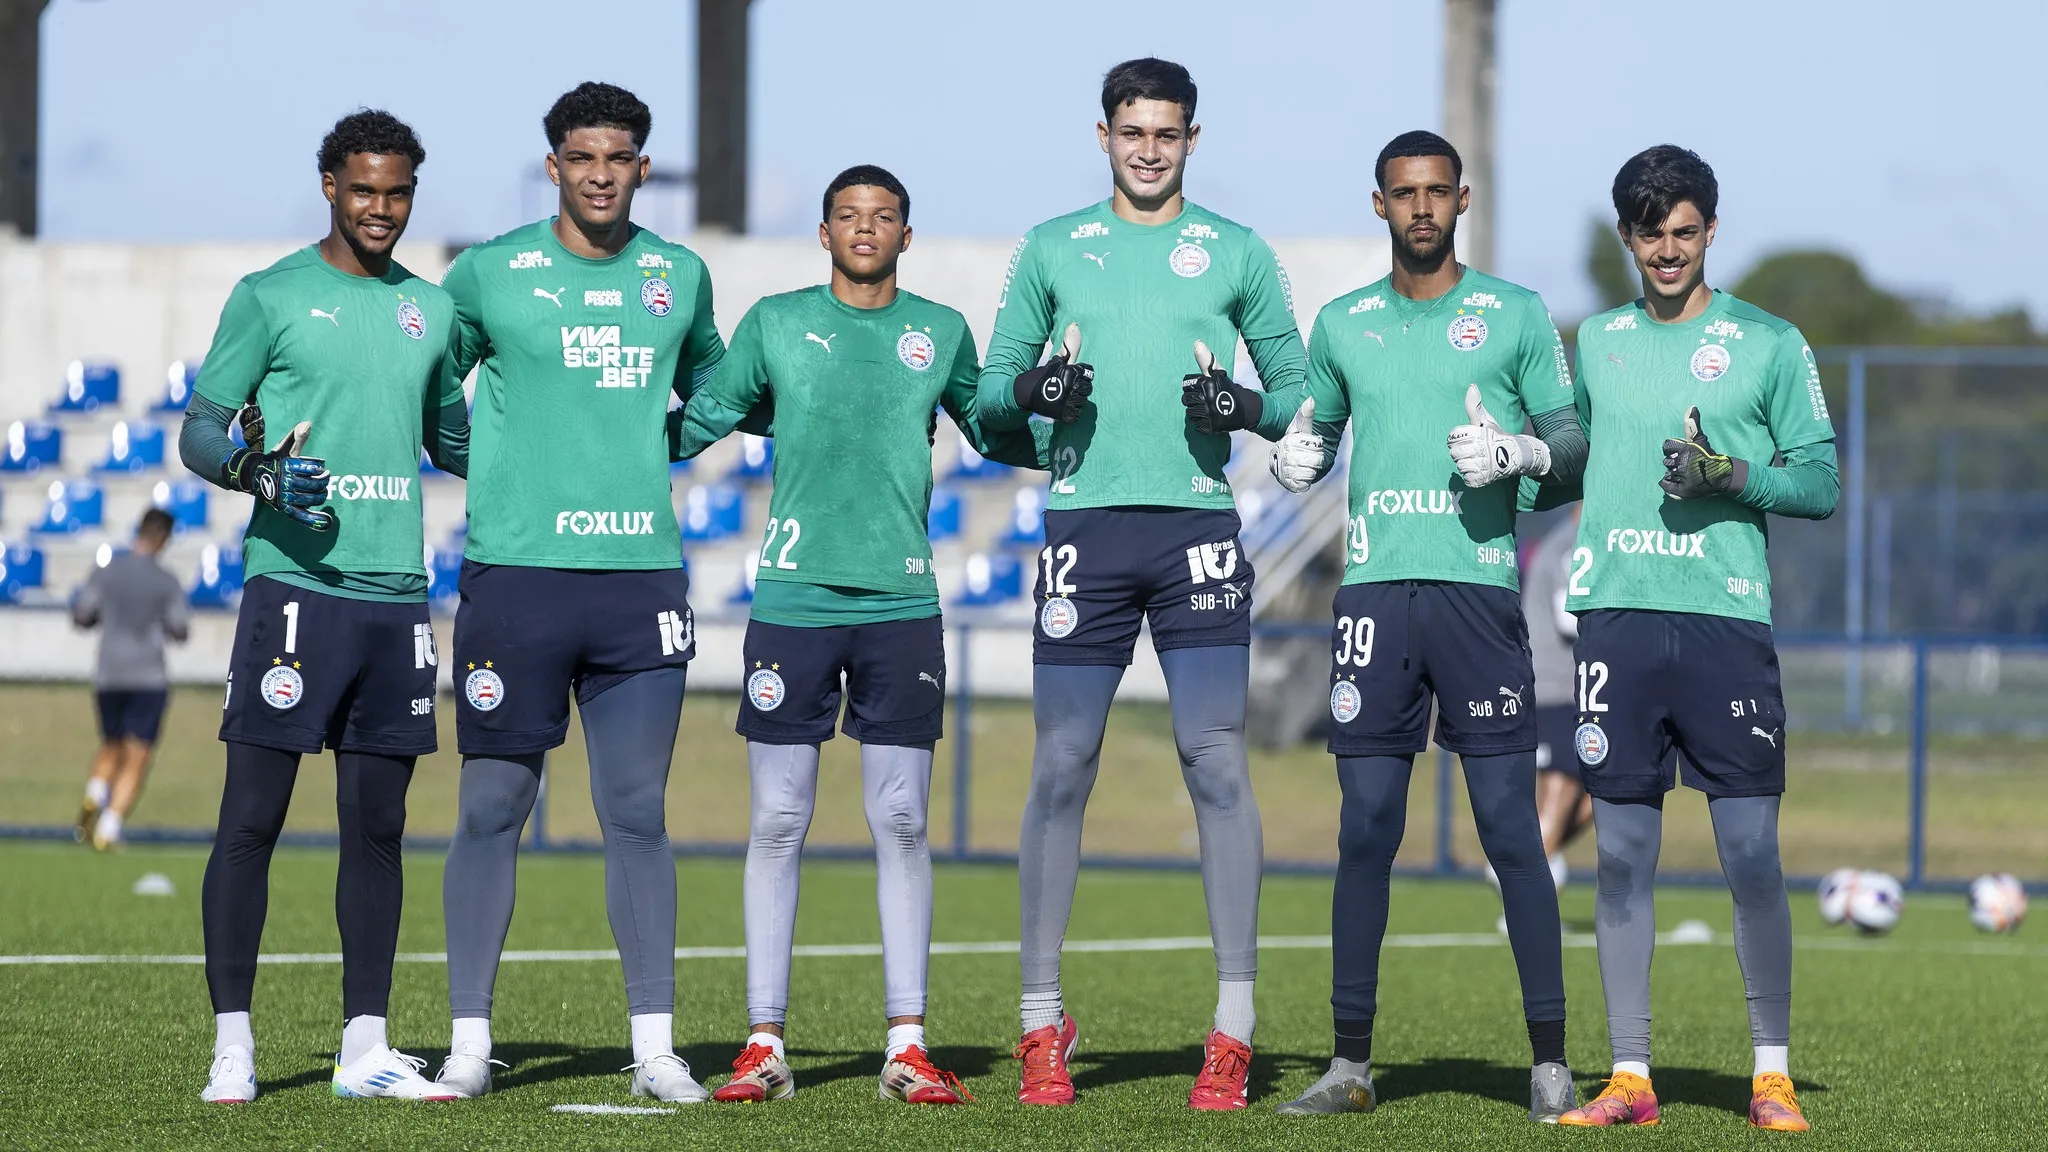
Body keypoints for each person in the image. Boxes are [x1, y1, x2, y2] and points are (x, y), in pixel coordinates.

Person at [672, 165, 1045, 1107]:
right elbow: (694, 424)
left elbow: (997, 433)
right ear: (825, 231)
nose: (866, 228)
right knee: (778, 820)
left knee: (904, 820)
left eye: (884, 217)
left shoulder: (941, 333)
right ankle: (764, 1045)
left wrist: (1074, 421)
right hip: (793, 602)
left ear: (906, 236)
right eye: (849, 215)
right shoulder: (774, 324)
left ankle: (907, 1045)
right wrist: (598, 413)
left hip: (900, 606)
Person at [977, 57, 1309, 1111]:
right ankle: (1039, 1023)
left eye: (1166, 133)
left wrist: (1238, 405)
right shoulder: (1050, 247)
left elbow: (1297, 393)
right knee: (1062, 762)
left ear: (1191, 140)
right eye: (1132, 131)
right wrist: (1038, 389)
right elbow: (990, 403)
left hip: (1197, 534)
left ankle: (1232, 1028)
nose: (1148, 148)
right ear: (1103, 133)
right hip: (1085, 527)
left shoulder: (1238, 253)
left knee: (1213, 761)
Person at [433, 82, 755, 1105]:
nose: (601, 175)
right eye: (582, 158)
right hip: (515, 581)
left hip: (637, 584)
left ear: (643, 169)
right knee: (492, 803)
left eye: (619, 159)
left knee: (636, 811)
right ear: (554, 166)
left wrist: (668, 442)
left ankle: (655, 1047)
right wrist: (477, 465)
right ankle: (470, 1044)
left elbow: (717, 385)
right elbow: (434, 388)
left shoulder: (678, 275)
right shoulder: (489, 273)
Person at [1265, 131, 1586, 1121]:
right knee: (1365, 826)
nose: (1419, 210)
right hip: (1370, 601)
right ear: (1379, 204)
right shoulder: (1342, 324)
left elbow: (1575, 450)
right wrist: (1295, 456)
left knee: (1506, 829)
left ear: (1460, 201)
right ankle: (1348, 1066)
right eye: (1402, 194)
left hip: (1476, 598)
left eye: (1434, 193)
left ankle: (1547, 1063)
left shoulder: (1514, 314)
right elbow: (1311, 436)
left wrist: (1520, 451)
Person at [182, 109, 470, 1104]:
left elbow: (458, 442)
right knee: (252, 820)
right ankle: (234, 1045)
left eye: (396, 193)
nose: (379, 208)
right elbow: (199, 431)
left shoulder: (431, 312)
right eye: (363, 189)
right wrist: (259, 476)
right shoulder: (269, 296)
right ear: (328, 187)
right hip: (296, 591)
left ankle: (364, 1048)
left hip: (398, 598)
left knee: (377, 825)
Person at [1556, 145, 1836, 1132]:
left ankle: (1769, 1074)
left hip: (1722, 625)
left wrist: (1729, 477)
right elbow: (1579, 460)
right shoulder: (1593, 339)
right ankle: (1629, 1077)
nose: (1666, 251)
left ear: (1709, 229)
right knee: (1621, 855)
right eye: (1648, 235)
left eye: (1683, 232)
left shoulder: (1765, 341)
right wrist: (1510, 458)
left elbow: (1817, 483)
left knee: (1749, 851)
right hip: (1616, 625)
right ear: (1627, 238)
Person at [71, 508, 189, 851]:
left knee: (111, 743)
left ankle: (95, 791)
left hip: (109, 674)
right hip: (148, 676)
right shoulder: (166, 580)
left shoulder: (106, 572)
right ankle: (109, 826)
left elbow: (83, 615)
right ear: (164, 537)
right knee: (138, 754)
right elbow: (180, 627)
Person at [1524, 509, 1591, 890]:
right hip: (1557, 686)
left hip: (1573, 689)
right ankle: (1524, 882)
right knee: (1563, 786)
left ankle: (1522, 867)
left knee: (1597, 792)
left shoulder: (1568, 542)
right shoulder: (1569, 544)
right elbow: (1569, 619)